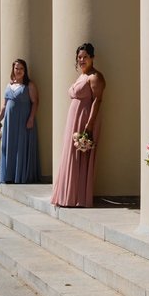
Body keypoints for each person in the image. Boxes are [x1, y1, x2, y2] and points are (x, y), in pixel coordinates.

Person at [51, 43, 106, 207]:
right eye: (79, 57)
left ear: (92, 58)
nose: (82, 60)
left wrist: (89, 125)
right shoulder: (81, 76)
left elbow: (97, 100)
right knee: (70, 155)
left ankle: (78, 197)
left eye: (85, 57)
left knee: (80, 157)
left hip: (84, 120)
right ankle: (67, 196)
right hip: (72, 121)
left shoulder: (95, 76)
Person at [0, 58, 40, 184]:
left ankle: (20, 175)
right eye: (16, 68)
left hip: (23, 120)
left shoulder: (29, 85)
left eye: (21, 68)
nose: (18, 71)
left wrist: (31, 118)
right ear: (13, 70)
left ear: (25, 70)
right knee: (9, 146)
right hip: (10, 122)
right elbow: (4, 106)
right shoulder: (9, 85)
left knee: (21, 146)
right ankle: (9, 175)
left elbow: (35, 102)